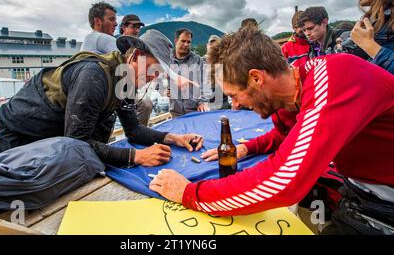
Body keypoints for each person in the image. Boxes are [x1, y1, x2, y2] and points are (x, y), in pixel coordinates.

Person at [149, 28, 394, 235]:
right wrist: (247, 147)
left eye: (234, 95)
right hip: (361, 188)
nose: (234, 105)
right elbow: (287, 135)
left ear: (256, 78)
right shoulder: (297, 81)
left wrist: (190, 193)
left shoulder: (335, 78)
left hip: (383, 201)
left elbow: (286, 180)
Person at [0, 29, 204, 168]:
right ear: (136, 57)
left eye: (160, 72)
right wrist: (136, 157)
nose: (155, 76)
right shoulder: (94, 75)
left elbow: (134, 130)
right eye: (153, 69)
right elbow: (77, 142)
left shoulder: (126, 82)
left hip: (51, 135)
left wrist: (172, 138)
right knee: (17, 193)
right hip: (19, 132)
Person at [118, 14, 153, 126]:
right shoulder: (114, 45)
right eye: (134, 27)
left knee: (146, 104)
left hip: (131, 88)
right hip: (114, 87)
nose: (137, 30)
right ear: (124, 27)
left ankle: (141, 133)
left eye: (138, 28)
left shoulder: (139, 48)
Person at [168, 28, 211, 117]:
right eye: (183, 41)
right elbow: (159, 81)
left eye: (189, 42)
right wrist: (166, 89)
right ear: (176, 41)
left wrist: (203, 102)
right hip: (175, 112)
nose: (186, 44)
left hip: (195, 111)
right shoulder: (167, 59)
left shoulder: (198, 60)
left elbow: (206, 84)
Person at [204, 35, 230, 110]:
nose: (212, 46)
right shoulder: (200, 62)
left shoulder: (226, 61)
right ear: (207, 45)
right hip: (207, 105)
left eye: (215, 44)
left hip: (223, 104)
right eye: (210, 44)